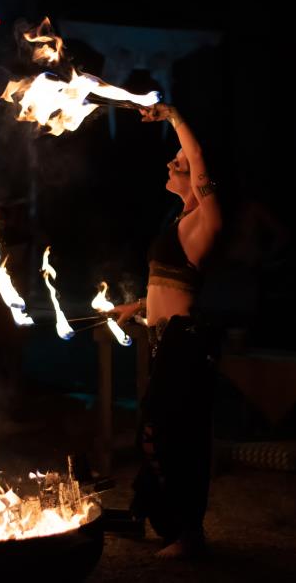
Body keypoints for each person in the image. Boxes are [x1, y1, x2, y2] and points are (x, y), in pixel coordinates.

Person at [111, 103, 223, 558]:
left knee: (176, 436)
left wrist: (176, 117)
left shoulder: (205, 222)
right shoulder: (178, 222)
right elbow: (167, 283)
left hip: (185, 344)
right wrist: (136, 306)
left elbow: (198, 158)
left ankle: (188, 534)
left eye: (177, 163)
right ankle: (154, 517)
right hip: (165, 342)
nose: (170, 163)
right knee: (155, 431)